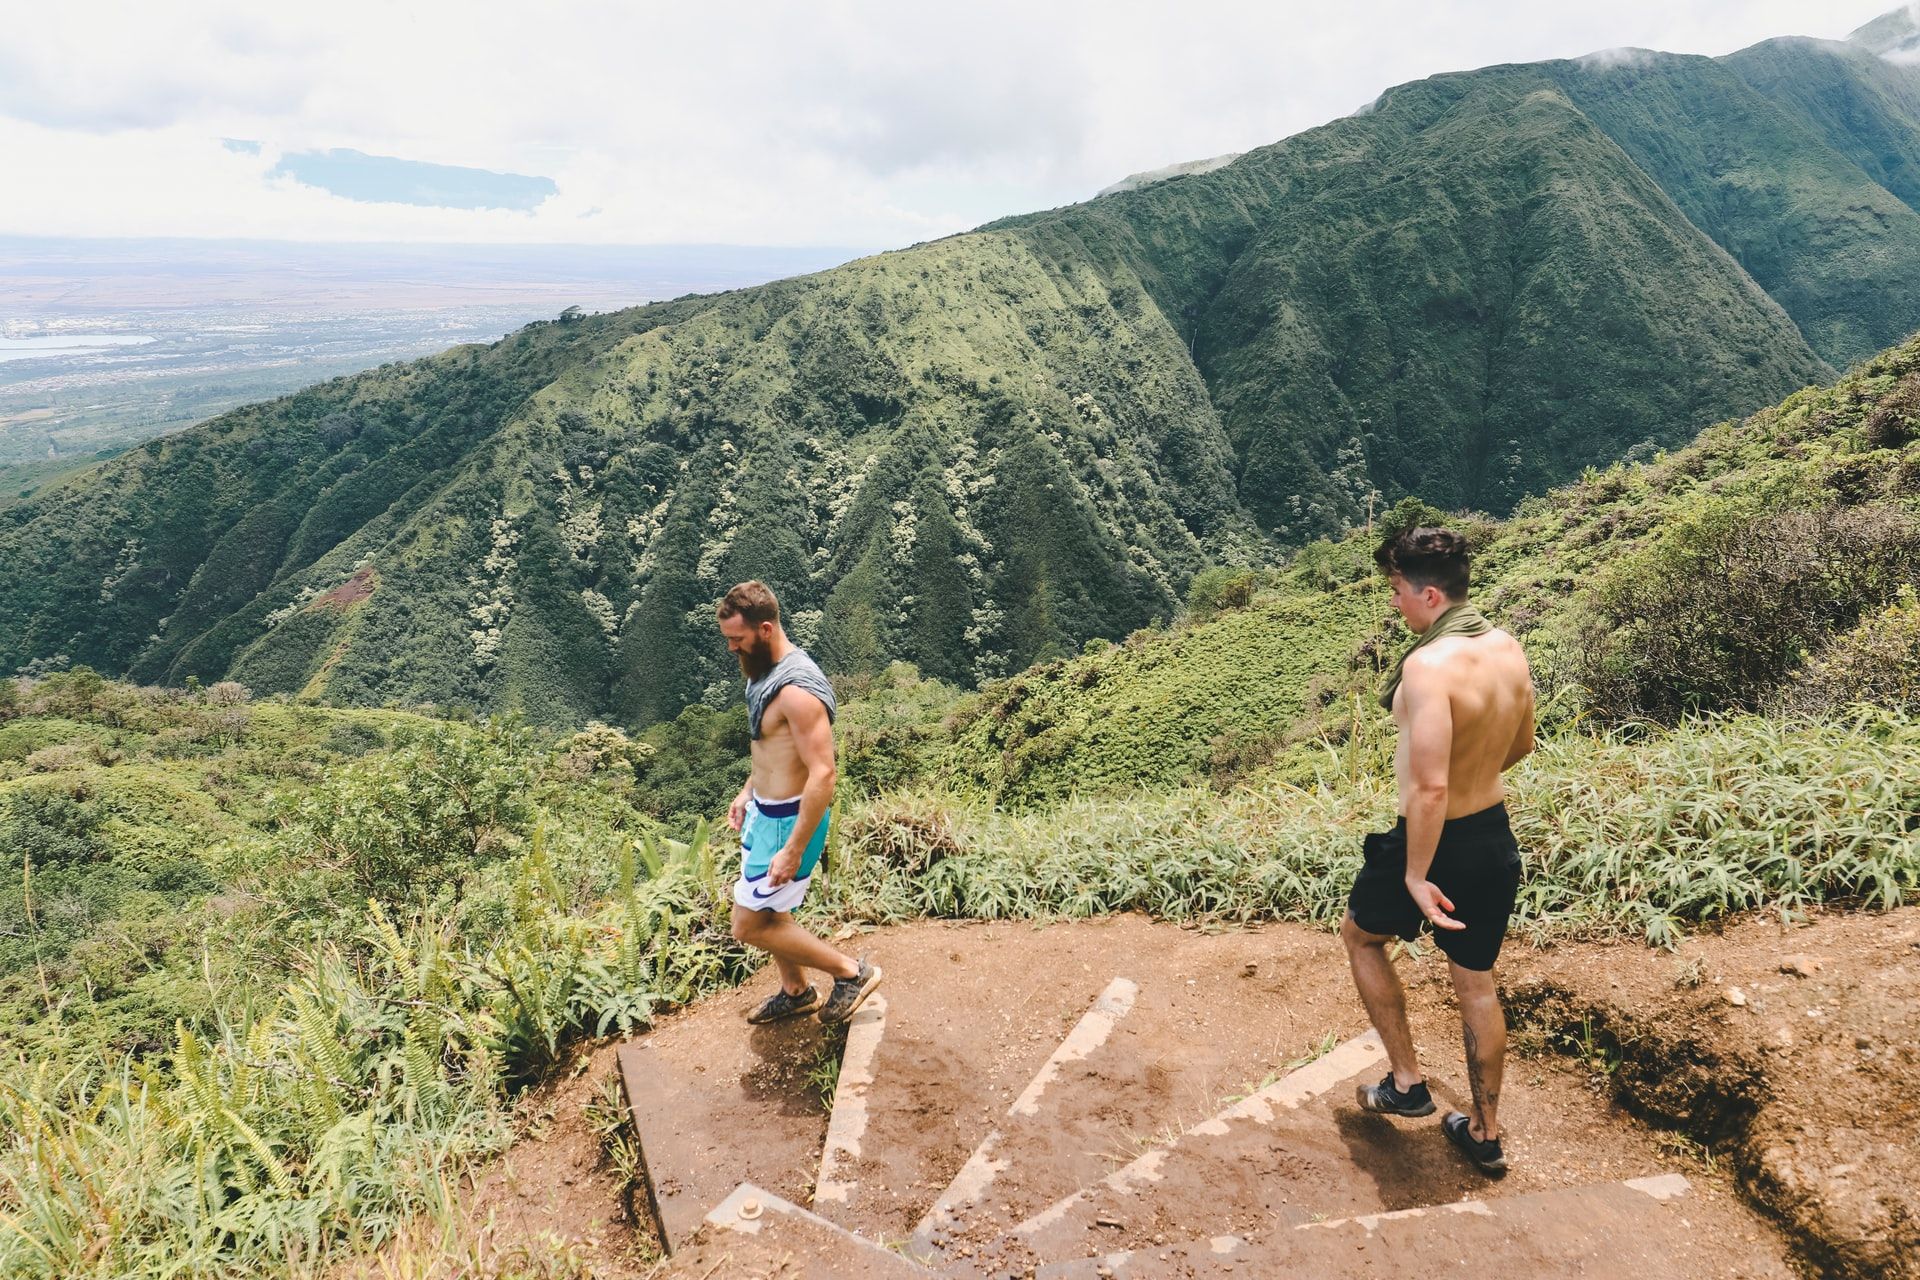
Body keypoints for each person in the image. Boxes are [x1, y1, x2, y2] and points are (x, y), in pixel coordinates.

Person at [1341, 527, 1534, 1176]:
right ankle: (1484, 1131)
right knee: (1475, 987)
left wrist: (1418, 873)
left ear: (1428, 593)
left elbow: (1429, 787)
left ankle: (1407, 1083)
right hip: (1491, 837)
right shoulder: (1506, 647)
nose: (1393, 604)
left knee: (1361, 936)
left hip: (1430, 843)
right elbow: (1523, 743)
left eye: (1397, 591)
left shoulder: (1426, 668)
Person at [716, 580, 882, 1026]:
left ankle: (852, 973)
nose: (732, 648)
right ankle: (796, 991)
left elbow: (823, 772)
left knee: (748, 925)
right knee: (773, 911)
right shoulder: (763, 673)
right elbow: (771, 747)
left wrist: (792, 847)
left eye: (738, 639)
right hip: (764, 813)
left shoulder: (797, 690)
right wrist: (748, 791)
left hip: (789, 822)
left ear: (765, 629)